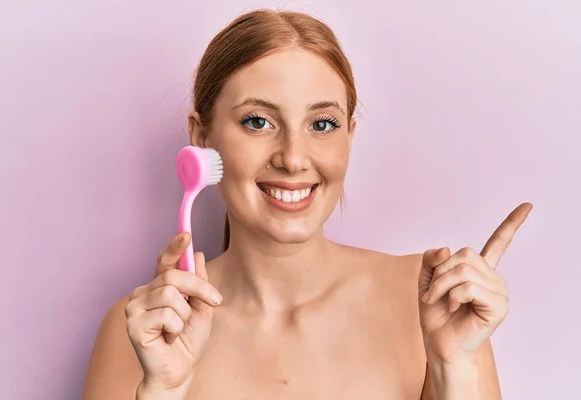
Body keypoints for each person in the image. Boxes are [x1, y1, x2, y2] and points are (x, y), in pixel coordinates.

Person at [82, 8, 532, 400]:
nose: (293, 158)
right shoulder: (142, 333)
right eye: (258, 121)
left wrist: (452, 372)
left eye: (322, 124)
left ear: (349, 137)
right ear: (202, 138)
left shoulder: (435, 305)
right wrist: (162, 392)